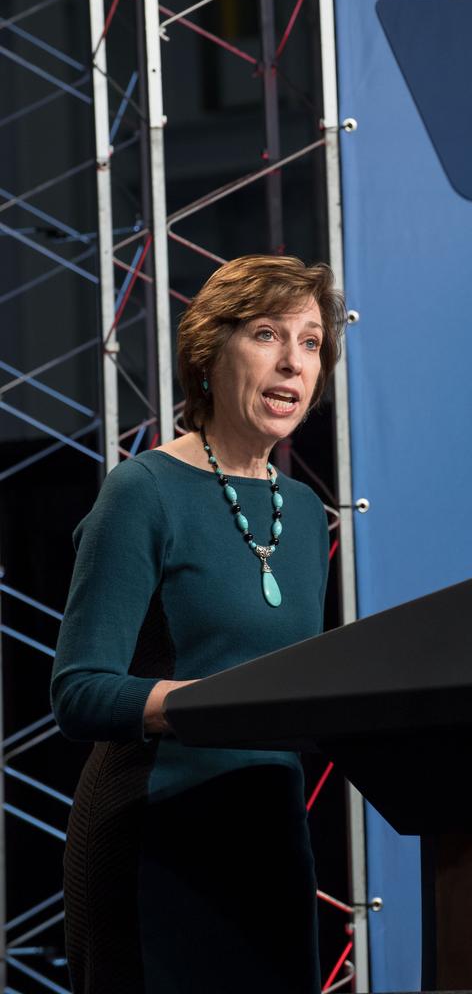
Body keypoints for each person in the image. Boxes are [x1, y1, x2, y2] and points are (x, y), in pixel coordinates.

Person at [51, 254, 347, 994]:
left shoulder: (307, 514)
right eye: (266, 334)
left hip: (270, 847)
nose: (292, 362)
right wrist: (212, 705)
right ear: (209, 355)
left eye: (310, 343)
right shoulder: (143, 492)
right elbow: (81, 692)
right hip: (153, 840)